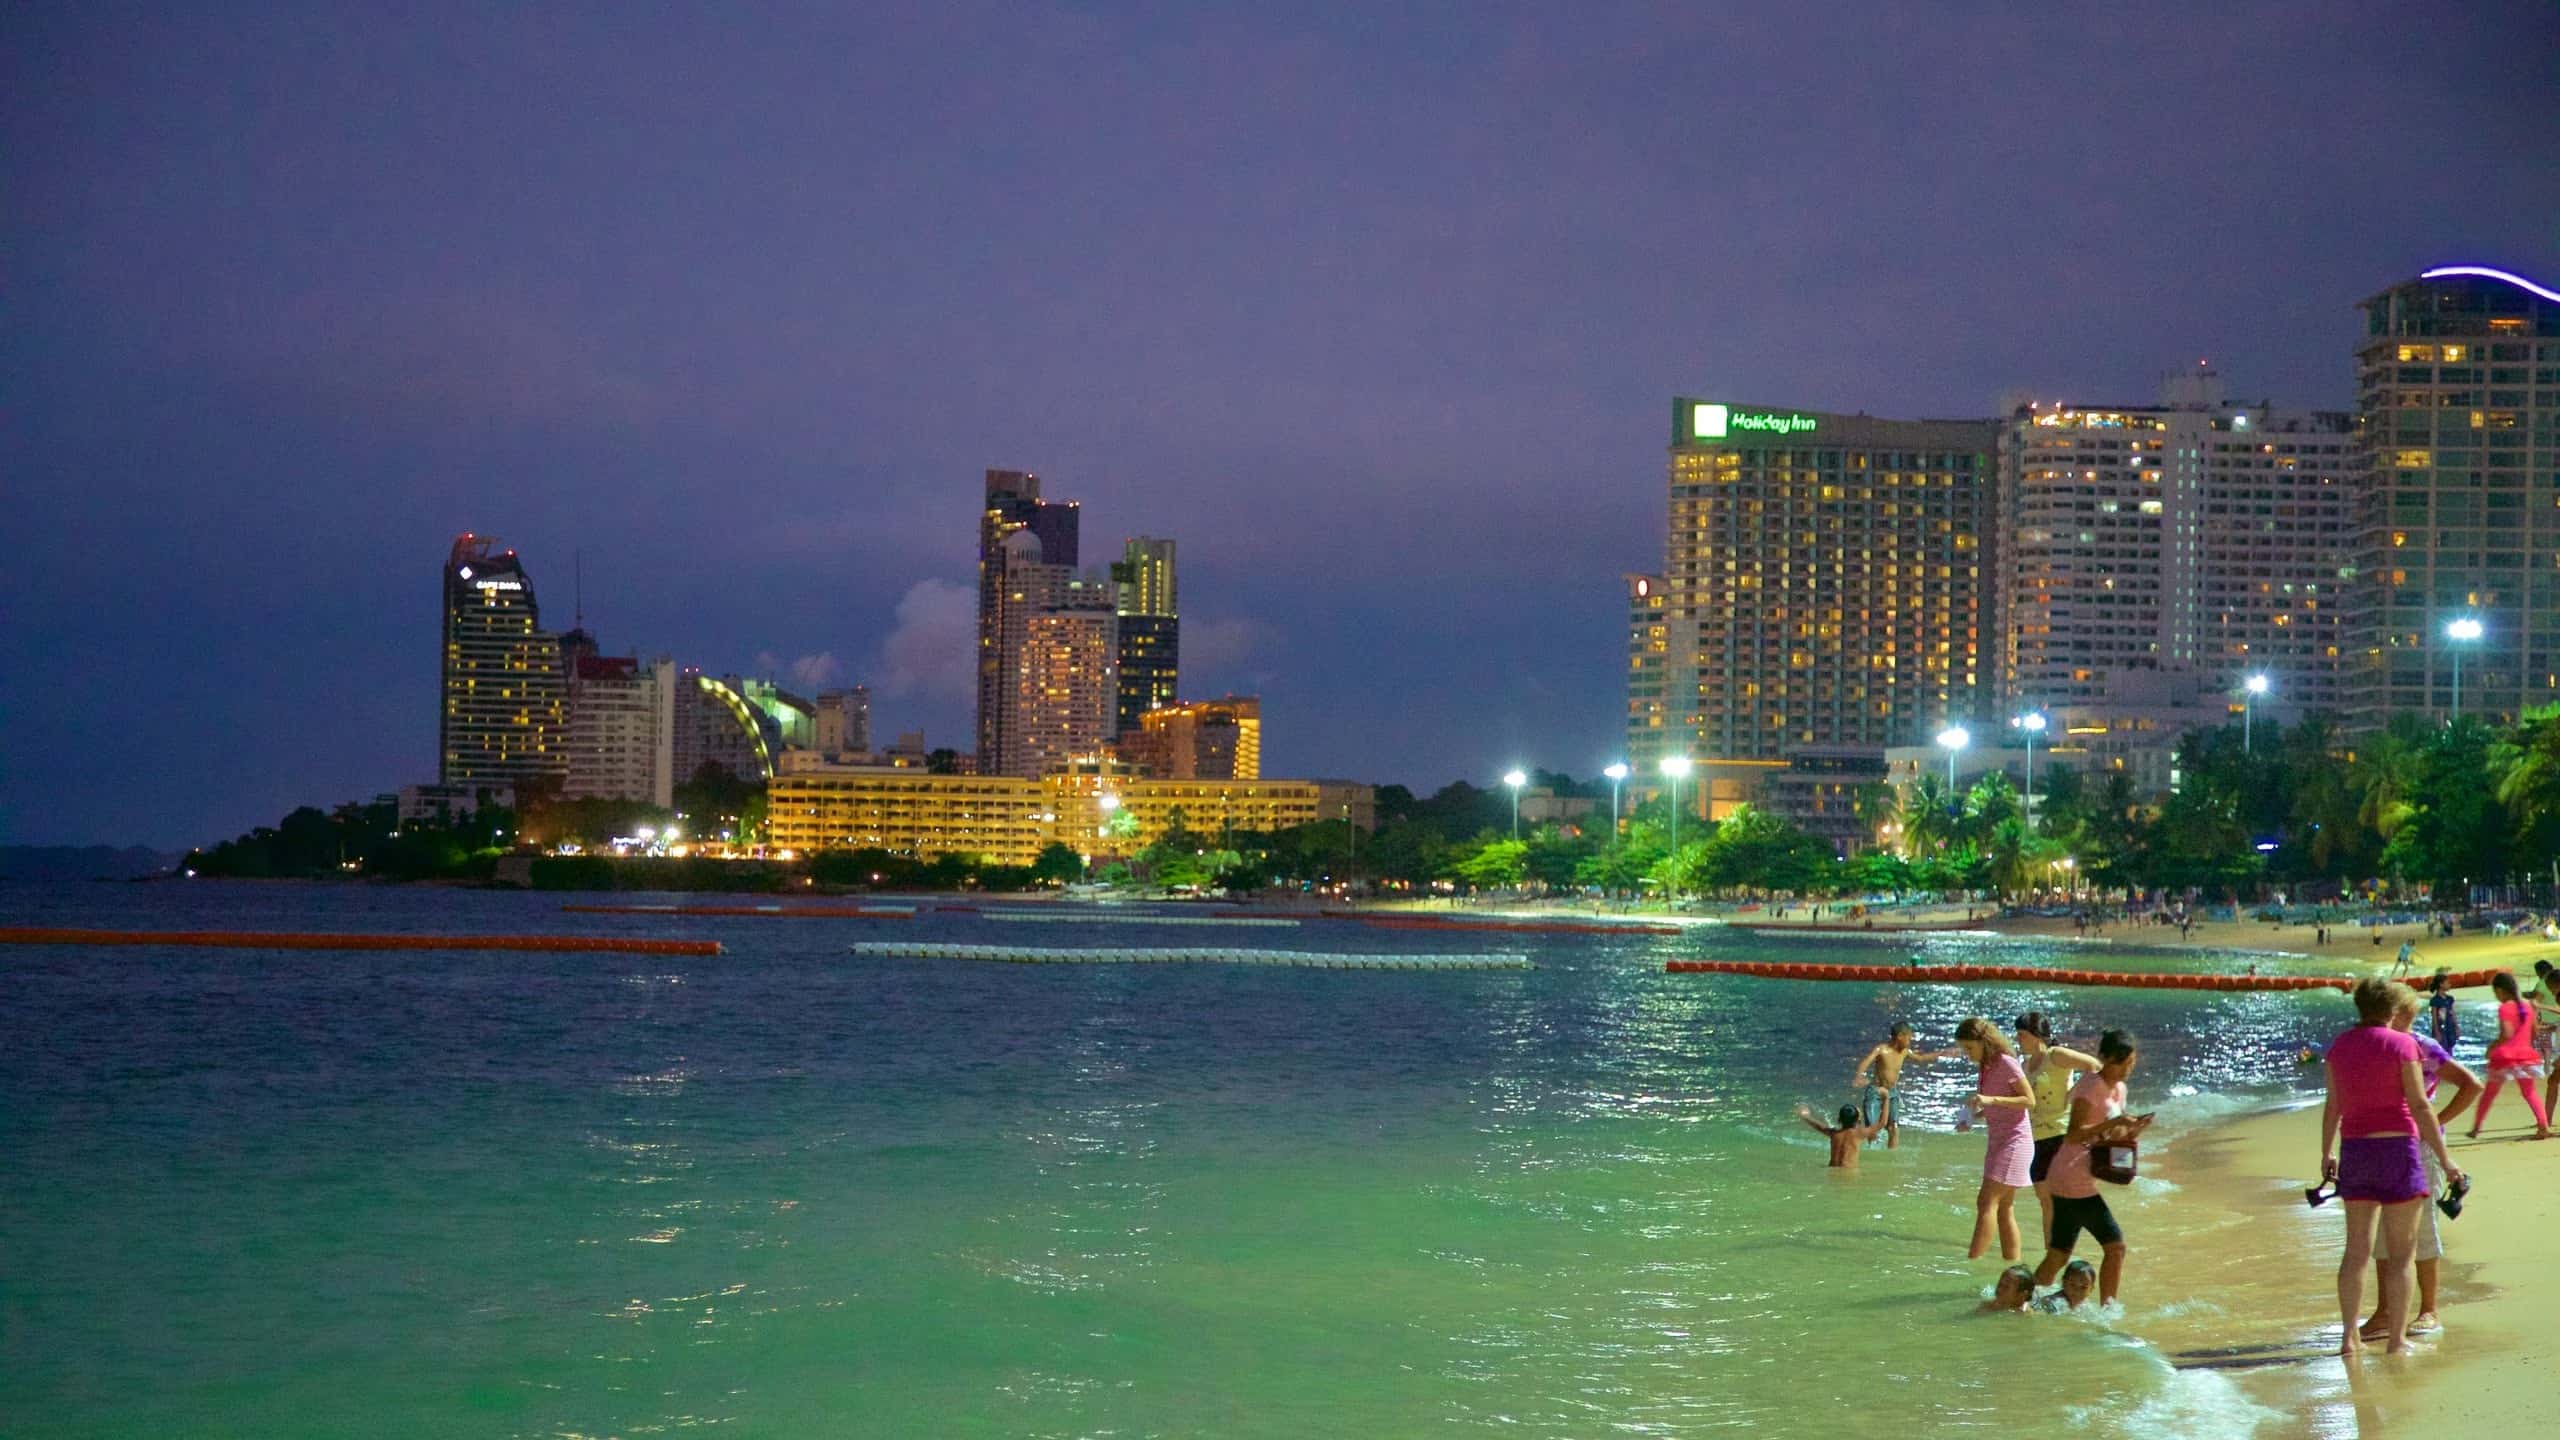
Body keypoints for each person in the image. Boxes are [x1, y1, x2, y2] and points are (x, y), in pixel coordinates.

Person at [2321, 977, 2465, 1356]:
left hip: (2355, 1150)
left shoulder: (2339, 1046)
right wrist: (2446, 1160)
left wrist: (2326, 1153)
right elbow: (2420, 1105)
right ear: (2392, 1010)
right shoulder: (2404, 1045)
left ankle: (2348, 1338)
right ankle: (2397, 1341)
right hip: (2399, 1150)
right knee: (2402, 1256)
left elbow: (2333, 1106)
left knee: (2356, 1252)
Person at [2362, 992, 2482, 1340]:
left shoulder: (2421, 1045)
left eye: (2385, 1015)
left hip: (2418, 1145)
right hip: (2381, 1144)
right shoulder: (2378, 1045)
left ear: (2401, 1015)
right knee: (2383, 1232)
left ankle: (2429, 1309)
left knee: (2422, 1228)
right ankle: (2385, 1311)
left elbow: (2471, 1085)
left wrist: (2434, 1126)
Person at [2029, 1030, 2153, 1308]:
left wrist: (2132, 1130)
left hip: (2077, 1178)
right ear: (2105, 1058)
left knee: (2059, 1255)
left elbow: (2112, 1134)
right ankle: (2109, 1310)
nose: (2126, 1069)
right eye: (2121, 1062)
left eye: (2131, 1063)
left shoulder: (2119, 1089)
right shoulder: (2090, 1086)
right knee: (2116, 1247)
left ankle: (2025, 1299)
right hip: (2072, 1177)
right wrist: (2111, 1125)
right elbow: (2073, 1134)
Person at [1955, 1016, 2037, 1262]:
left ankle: (1972, 1263)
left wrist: (1989, 1100)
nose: (1967, 1054)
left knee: (1986, 1202)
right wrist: (1974, 1116)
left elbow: (2029, 1101)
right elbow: (1997, 1104)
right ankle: (2011, 1264)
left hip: (2015, 1141)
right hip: (1998, 1140)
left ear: (1984, 1041)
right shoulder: (1987, 1066)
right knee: (2003, 1208)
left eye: (1970, 1048)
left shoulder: (2006, 1062)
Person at [2015, 1012, 2103, 1240]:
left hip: (2059, 1137)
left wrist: (2072, 1094)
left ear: (2037, 1035)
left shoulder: (2056, 1055)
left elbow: (2095, 1066)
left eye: (2022, 1035)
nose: (2018, 1039)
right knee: (2046, 1204)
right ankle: (2051, 1253)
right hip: (2035, 1141)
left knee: (2059, 1203)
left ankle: (2062, 1252)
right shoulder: (2024, 1065)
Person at [2469, 971, 2552, 1140]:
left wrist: (2492, 1046)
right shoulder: (2528, 1007)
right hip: (2526, 1055)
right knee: (2529, 1092)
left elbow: (2506, 1033)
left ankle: (2476, 1127)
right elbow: (2534, 1030)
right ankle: (2543, 1126)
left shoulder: (2505, 1008)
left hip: (2505, 1057)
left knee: (2490, 1093)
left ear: (2500, 991)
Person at [1851, 1024, 1953, 1149]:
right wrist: (1859, 1076)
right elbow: (1866, 1061)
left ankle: (1892, 1157)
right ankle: (1869, 1157)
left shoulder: (1904, 1052)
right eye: (1909, 1038)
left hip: (1892, 1093)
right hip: (1876, 1092)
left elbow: (1920, 1058)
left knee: (1893, 1127)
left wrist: (1941, 1053)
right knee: (1872, 1130)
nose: (1910, 1041)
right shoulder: (1881, 1050)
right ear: (1900, 1036)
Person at [1796, 1103, 1880, 1168]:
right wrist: (1886, 1098)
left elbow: (1818, 1126)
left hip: (1832, 1170)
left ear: (1839, 1119)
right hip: (1849, 1172)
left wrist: (1805, 1116)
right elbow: (1882, 1122)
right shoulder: (1859, 1134)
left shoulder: (1834, 1134)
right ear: (1857, 1120)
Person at [2426, 970, 2457, 1052]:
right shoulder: (2435, 1000)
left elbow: (2453, 1014)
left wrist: (2456, 1027)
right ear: (2441, 984)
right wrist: (2436, 1032)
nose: (2450, 985)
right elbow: (2434, 1018)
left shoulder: (2450, 999)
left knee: (2450, 1048)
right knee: (2442, 1050)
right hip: (2441, 1029)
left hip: (2450, 1028)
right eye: (2448, 983)